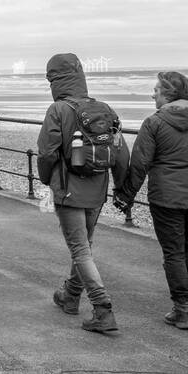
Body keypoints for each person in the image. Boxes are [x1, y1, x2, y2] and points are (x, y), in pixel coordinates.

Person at [114, 71, 188, 329]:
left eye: (156, 90)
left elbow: (140, 164)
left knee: (174, 251)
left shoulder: (153, 123)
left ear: (168, 94)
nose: (153, 94)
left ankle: (182, 310)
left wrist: (125, 196)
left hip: (167, 198)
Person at [36, 53, 130, 334]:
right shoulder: (104, 108)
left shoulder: (58, 110)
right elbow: (121, 154)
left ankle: (103, 308)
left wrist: (47, 180)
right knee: (85, 246)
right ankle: (71, 295)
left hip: (68, 190)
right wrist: (121, 188)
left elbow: (47, 152)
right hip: (97, 190)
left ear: (55, 80)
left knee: (79, 248)